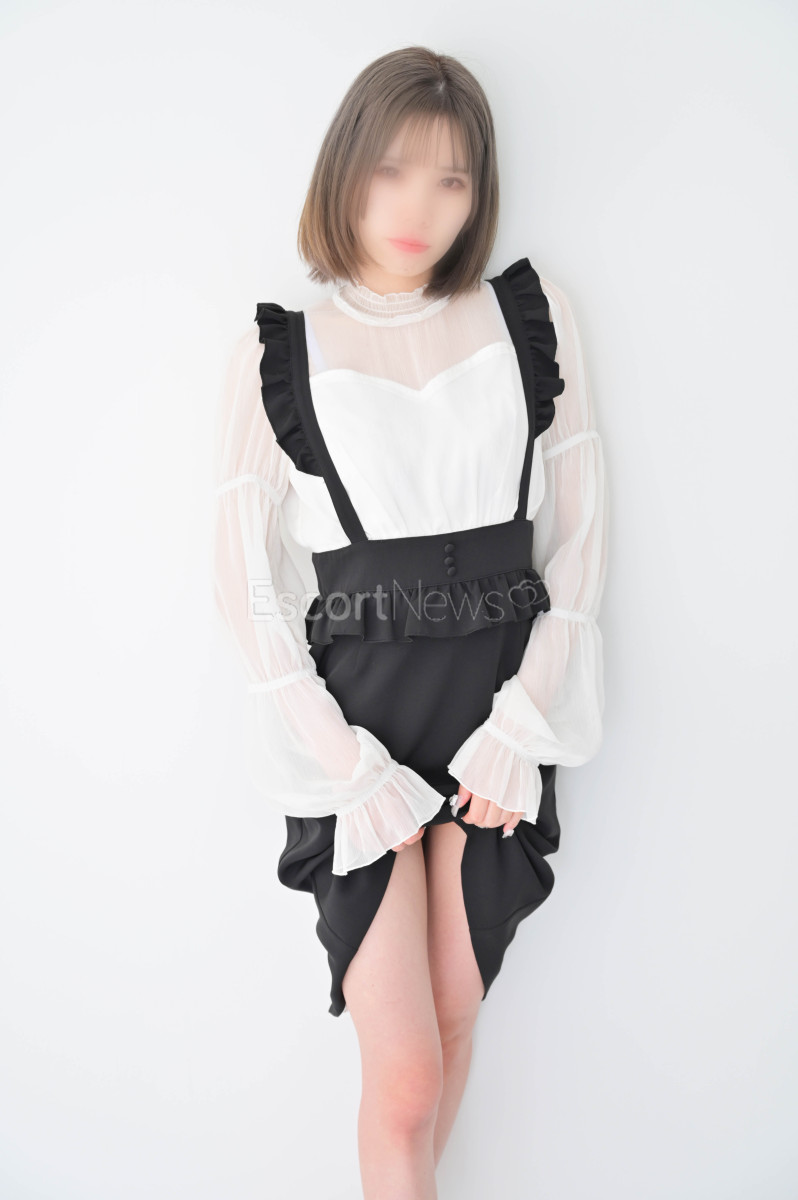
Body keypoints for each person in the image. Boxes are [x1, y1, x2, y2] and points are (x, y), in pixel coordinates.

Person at [213, 44, 608, 1198]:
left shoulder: (530, 316)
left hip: (497, 711)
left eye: (451, 180)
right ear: (345, 169)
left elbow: (582, 536)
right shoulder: (280, 349)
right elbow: (245, 582)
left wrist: (522, 723)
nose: (418, 209)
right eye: (391, 170)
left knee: (452, 1028)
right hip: (362, 723)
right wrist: (342, 762)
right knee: (404, 1083)